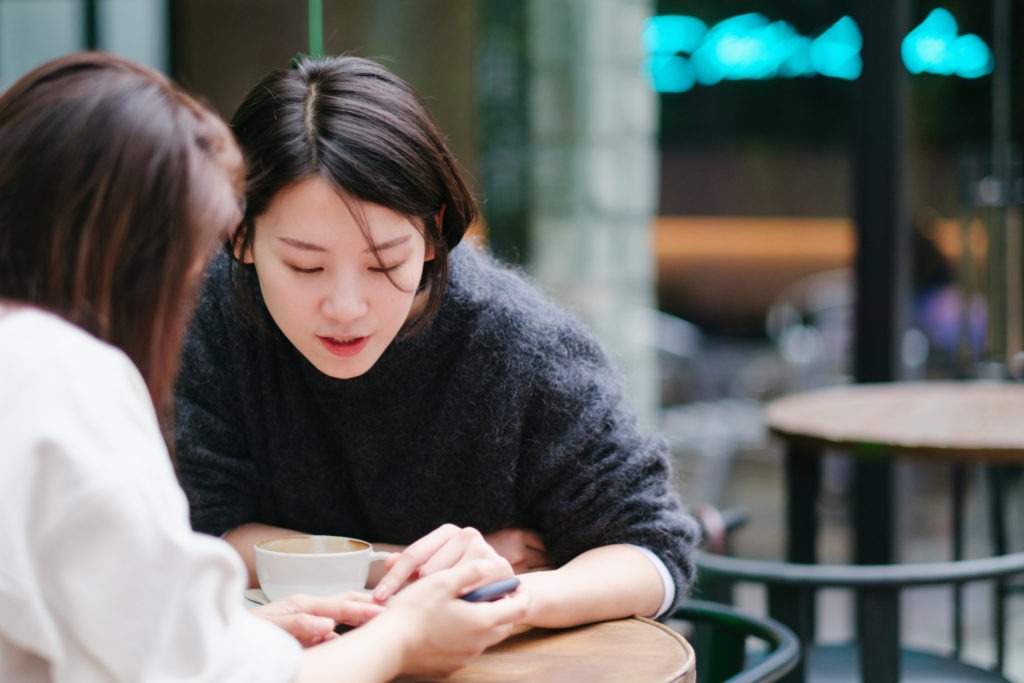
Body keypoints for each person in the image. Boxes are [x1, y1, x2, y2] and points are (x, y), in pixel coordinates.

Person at [0, 51, 526, 683]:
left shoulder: (33, 363)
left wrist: (236, 636)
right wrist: (406, 637)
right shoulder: (59, 375)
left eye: (382, 261)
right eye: (194, 260)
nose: (200, 288)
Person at [174, 53, 701, 629]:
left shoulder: (521, 345)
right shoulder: (211, 317)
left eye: (383, 264)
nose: (345, 308)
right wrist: (406, 567)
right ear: (241, 235)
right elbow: (197, 533)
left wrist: (508, 594)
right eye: (305, 268)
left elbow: (653, 553)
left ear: (432, 234)